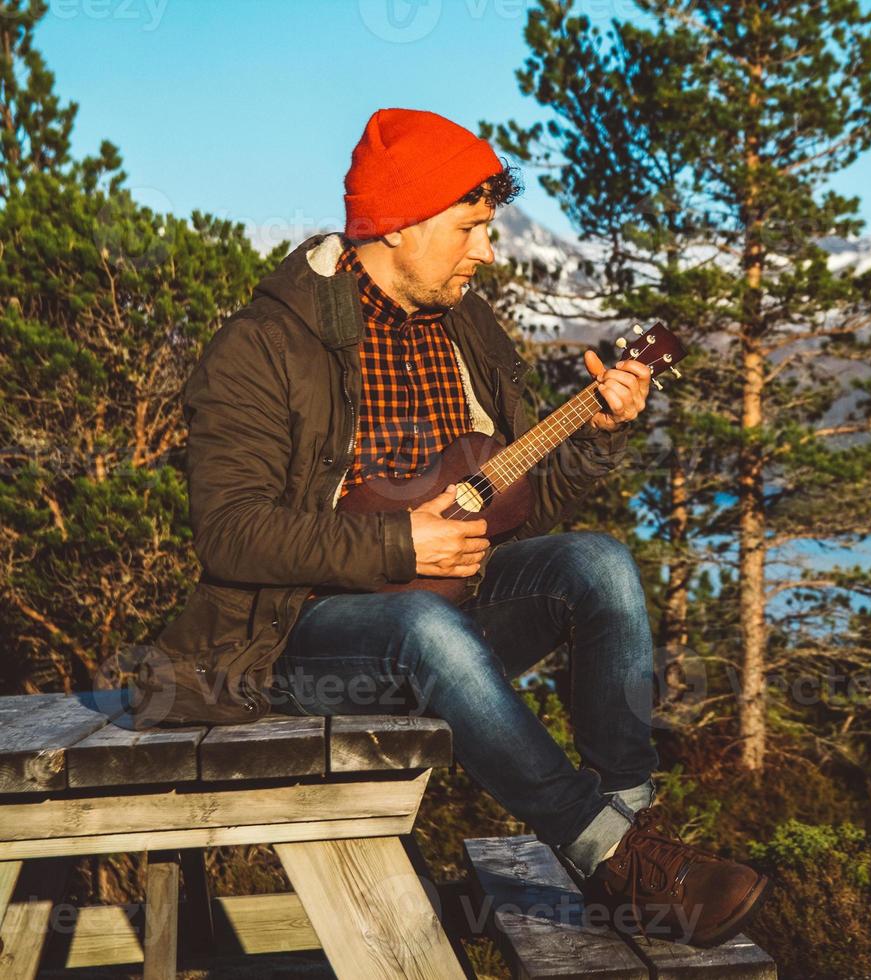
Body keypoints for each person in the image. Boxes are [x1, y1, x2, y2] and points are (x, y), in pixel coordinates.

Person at [135, 107, 768, 948]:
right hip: (295, 642)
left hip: (446, 619)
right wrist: (401, 544)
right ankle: (609, 857)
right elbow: (232, 533)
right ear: (398, 226)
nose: (488, 251)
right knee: (421, 623)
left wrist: (598, 438)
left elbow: (520, 504)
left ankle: (631, 821)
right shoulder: (262, 347)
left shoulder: (466, 329)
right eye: (471, 229)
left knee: (600, 565)